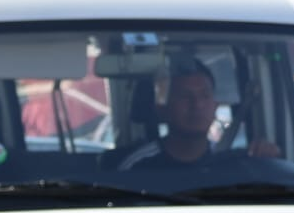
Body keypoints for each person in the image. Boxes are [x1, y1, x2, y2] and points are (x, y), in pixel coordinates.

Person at [117, 55, 278, 170]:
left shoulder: (234, 163)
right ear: (163, 109)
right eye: (185, 96)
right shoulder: (137, 167)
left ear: (215, 106)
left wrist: (270, 159)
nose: (197, 104)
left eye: (205, 95)